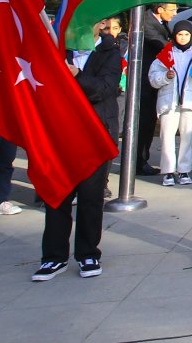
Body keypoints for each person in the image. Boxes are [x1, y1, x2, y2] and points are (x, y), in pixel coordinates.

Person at [33, 17, 123, 281]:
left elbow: (105, 90)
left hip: (95, 134)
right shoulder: (58, 50)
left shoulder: (110, 51)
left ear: (101, 24)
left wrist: (76, 75)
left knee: (91, 196)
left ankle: (88, 253)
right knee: (58, 194)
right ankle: (53, 256)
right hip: (62, 133)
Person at [149, 22, 192, 187]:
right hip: (169, 102)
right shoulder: (164, 55)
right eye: (180, 34)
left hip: (190, 102)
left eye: (186, 35)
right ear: (174, 35)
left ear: (191, 36)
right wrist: (165, 77)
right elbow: (153, 78)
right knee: (167, 137)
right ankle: (168, 171)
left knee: (187, 137)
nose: (183, 38)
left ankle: (183, 170)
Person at [136, 2, 178, 174]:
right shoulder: (146, 23)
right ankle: (138, 161)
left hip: (155, 80)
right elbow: (163, 47)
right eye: (172, 10)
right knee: (143, 121)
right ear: (160, 9)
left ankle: (141, 158)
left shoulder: (161, 23)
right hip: (145, 80)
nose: (175, 13)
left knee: (149, 121)